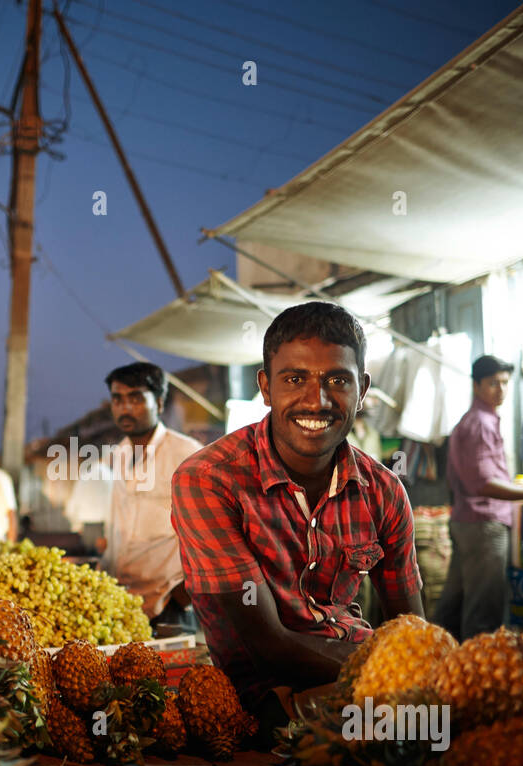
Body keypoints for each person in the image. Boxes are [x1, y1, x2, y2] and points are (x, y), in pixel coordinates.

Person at [171, 301, 424, 743]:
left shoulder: (384, 491)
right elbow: (268, 645)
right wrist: (397, 671)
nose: (317, 400)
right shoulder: (209, 480)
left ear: (361, 389)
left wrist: (422, 669)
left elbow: (412, 628)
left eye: (337, 380)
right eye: (295, 379)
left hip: (370, 688)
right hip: (266, 707)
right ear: (266, 387)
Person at [435, 355, 523, 641]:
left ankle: (439, 665)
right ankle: (473, 679)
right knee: (484, 612)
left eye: (504, 383)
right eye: (493, 383)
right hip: (484, 525)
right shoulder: (480, 423)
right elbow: (485, 484)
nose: (500, 390)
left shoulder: (476, 420)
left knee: (453, 606)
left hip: (469, 522)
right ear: (476, 386)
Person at [99, 362, 202, 630]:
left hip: (169, 605)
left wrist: (183, 594)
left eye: (135, 398)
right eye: (117, 399)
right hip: (121, 603)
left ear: (158, 402)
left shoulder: (187, 454)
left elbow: (217, 530)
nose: (125, 407)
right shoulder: (118, 455)